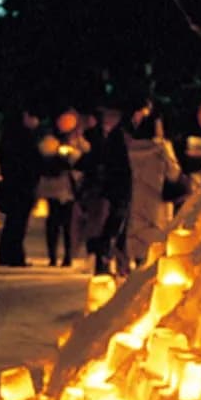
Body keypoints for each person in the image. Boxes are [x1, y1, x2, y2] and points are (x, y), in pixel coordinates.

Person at [123, 101, 186, 265]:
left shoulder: (132, 149)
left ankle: (137, 265)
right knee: (157, 238)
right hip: (157, 200)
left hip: (137, 197)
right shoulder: (162, 148)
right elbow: (173, 173)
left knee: (138, 232)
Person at [78, 102, 133, 276]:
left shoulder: (115, 134)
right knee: (112, 223)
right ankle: (104, 258)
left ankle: (109, 260)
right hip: (111, 187)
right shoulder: (113, 136)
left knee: (114, 224)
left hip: (112, 187)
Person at [35, 108, 84, 268]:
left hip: (68, 187)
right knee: (53, 222)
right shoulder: (50, 137)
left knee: (68, 223)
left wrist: (72, 154)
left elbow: (84, 154)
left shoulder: (77, 139)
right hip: (54, 186)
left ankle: (68, 255)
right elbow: (43, 153)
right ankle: (53, 256)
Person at [0, 107, 41, 268]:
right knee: (18, 222)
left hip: (11, 184)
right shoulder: (25, 138)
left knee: (12, 221)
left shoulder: (7, 138)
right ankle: (14, 256)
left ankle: (6, 254)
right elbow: (32, 163)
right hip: (22, 186)